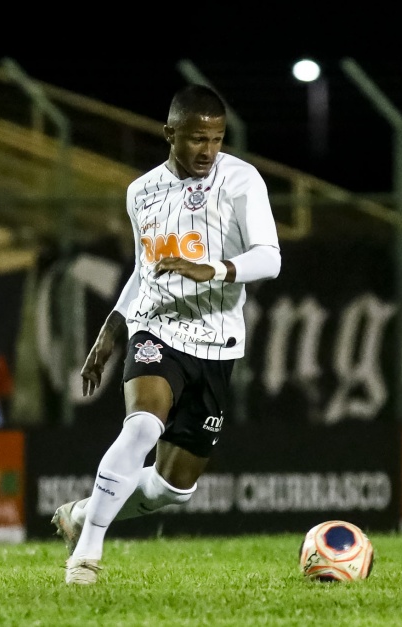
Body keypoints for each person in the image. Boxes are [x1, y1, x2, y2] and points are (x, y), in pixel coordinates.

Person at [51, 84, 281, 585]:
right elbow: (144, 271)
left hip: (218, 343)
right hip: (156, 329)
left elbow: (270, 257)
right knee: (141, 427)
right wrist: (112, 328)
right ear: (170, 134)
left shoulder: (243, 181)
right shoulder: (142, 192)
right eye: (197, 138)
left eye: (216, 139)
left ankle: (81, 514)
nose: (208, 150)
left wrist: (214, 269)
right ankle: (85, 556)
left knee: (171, 490)